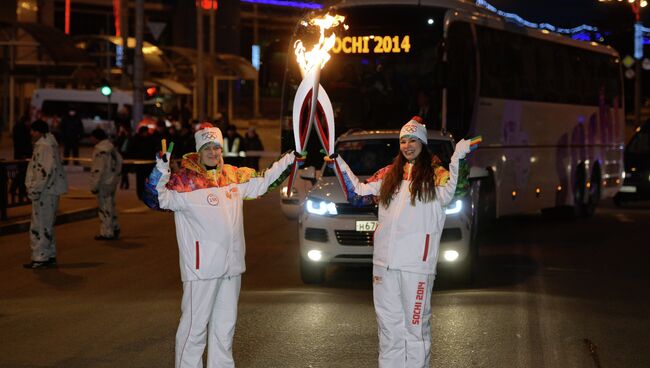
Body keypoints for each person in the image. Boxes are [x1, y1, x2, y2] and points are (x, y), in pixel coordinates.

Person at [143, 126, 299, 368]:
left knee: (224, 330)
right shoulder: (184, 182)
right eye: (207, 148)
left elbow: (265, 180)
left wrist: (292, 157)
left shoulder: (233, 176)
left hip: (231, 268)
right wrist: (161, 169)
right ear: (198, 151)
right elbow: (154, 198)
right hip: (201, 269)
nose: (213, 152)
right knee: (194, 330)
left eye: (216, 147)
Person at [326, 116, 471, 367]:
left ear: (423, 143)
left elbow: (457, 190)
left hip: (416, 265)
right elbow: (358, 195)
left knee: (415, 330)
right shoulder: (388, 174)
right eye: (403, 140)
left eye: (413, 140)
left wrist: (459, 158)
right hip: (384, 265)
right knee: (389, 329)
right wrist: (337, 161)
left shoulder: (437, 176)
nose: (407, 145)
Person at [24, 120, 68, 269]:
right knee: (47, 224)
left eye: (33, 131)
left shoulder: (44, 147)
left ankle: (40, 257)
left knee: (40, 225)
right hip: (50, 190)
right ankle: (48, 255)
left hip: (45, 192)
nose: (31, 133)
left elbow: (43, 172)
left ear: (40, 131)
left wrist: (34, 189)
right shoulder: (50, 145)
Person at [90, 128, 123, 240]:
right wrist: (116, 176)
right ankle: (115, 226)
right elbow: (120, 161)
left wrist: (94, 185)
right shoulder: (111, 148)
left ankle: (107, 232)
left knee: (104, 207)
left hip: (104, 182)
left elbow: (98, 169)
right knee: (111, 204)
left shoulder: (100, 150)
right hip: (112, 181)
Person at [11, 115, 32, 203]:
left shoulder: (19, 127)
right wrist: (25, 154)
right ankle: (22, 193)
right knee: (22, 174)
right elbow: (23, 142)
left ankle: (14, 189)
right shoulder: (21, 128)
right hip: (22, 155)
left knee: (21, 173)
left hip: (21, 154)